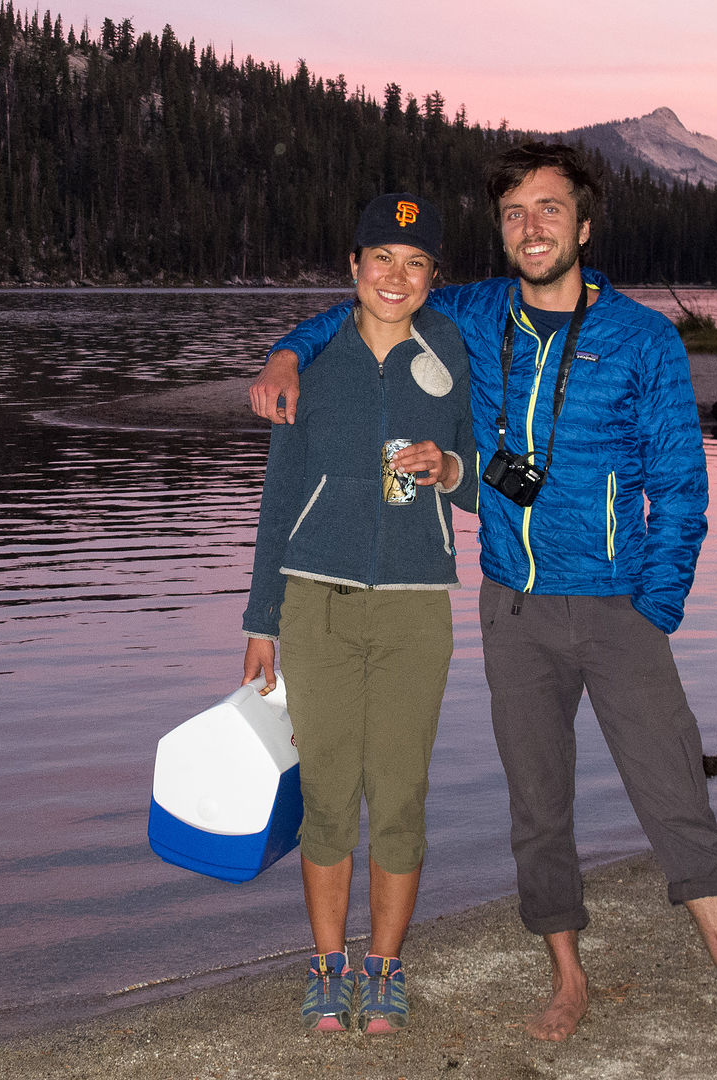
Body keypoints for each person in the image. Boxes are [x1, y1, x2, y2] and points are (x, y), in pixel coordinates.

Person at [248, 144, 717, 1064]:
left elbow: (682, 489)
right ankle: (568, 978)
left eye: (550, 210)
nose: (532, 227)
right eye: (516, 213)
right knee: (537, 808)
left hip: (617, 609)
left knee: (676, 800)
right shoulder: (476, 316)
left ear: (584, 228)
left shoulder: (644, 338)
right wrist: (288, 350)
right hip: (512, 610)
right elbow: (372, 306)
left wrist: (655, 606)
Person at [241, 192, 478, 1034]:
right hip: (317, 608)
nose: (396, 275)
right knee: (330, 795)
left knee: (402, 795)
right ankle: (327, 966)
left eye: (415, 263)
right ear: (352, 265)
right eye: (381, 257)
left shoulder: (453, 347)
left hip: (417, 610)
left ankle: (384, 968)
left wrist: (449, 466)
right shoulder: (311, 362)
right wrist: (260, 619)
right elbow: (277, 499)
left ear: (433, 278)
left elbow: (493, 475)